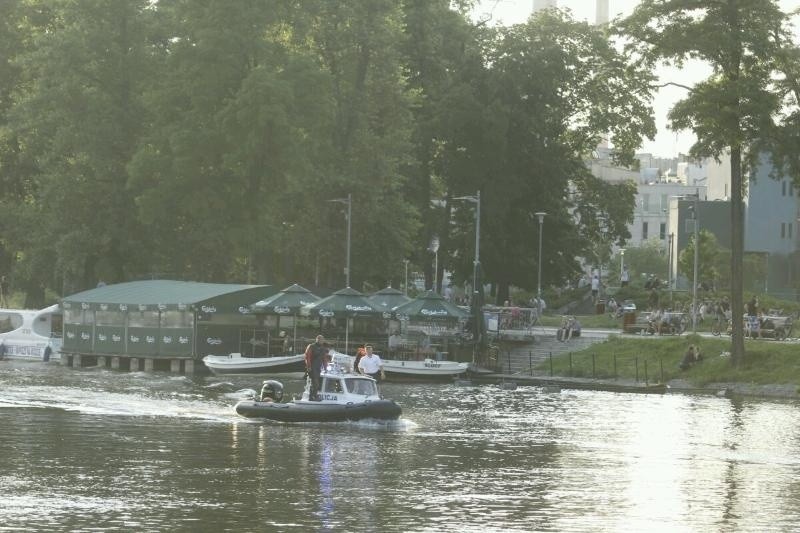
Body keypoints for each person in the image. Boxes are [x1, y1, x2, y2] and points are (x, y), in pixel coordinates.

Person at [304, 335, 330, 401]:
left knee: (316, 382)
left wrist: (325, 368)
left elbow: (324, 359)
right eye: (320, 339)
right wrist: (309, 366)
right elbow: (307, 357)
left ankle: (311, 396)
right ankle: (314, 396)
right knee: (315, 383)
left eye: (322, 340)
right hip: (312, 367)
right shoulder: (311, 346)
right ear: (317, 339)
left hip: (318, 367)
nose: (321, 341)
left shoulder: (323, 348)